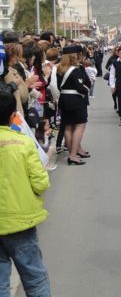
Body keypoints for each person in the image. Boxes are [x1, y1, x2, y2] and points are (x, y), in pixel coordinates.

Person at [0, 88, 52, 296]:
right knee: (34, 278)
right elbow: (40, 183)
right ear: (13, 116)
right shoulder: (23, 143)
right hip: (20, 221)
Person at [57, 46, 91, 165]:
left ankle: (73, 153)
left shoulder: (59, 69)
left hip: (64, 99)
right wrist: (87, 89)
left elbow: (58, 86)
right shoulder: (75, 71)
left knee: (68, 127)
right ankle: (72, 155)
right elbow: (80, 87)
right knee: (80, 126)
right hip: (75, 100)